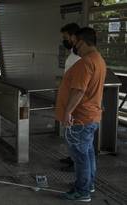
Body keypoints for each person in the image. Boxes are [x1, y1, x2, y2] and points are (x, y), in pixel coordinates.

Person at [55, 27, 106, 202]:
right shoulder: (98, 59)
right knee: (88, 153)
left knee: (80, 156)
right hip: (91, 116)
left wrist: (68, 112)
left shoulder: (85, 63)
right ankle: (88, 184)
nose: (74, 46)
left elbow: (78, 90)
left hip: (80, 118)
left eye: (76, 43)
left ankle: (82, 190)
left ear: (82, 42)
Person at [59, 23, 81, 172]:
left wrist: (69, 108)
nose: (64, 41)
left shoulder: (81, 56)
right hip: (69, 95)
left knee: (77, 133)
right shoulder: (73, 52)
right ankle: (72, 156)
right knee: (70, 132)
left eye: (66, 37)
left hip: (76, 100)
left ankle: (76, 162)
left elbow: (80, 86)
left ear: (73, 36)